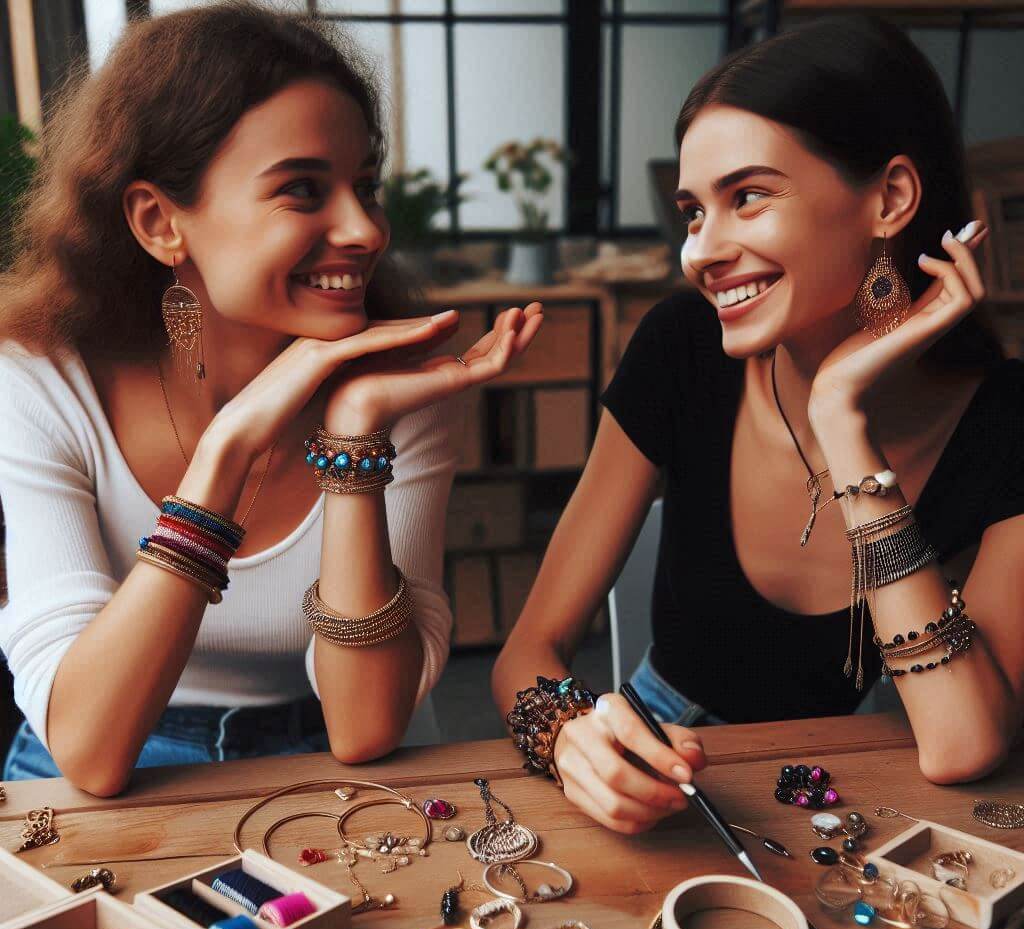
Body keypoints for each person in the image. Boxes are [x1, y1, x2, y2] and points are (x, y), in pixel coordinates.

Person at [494, 14, 1024, 834]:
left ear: (889, 198)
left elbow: (963, 745)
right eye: (693, 211)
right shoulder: (680, 349)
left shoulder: (1007, 418)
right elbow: (526, 656)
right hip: (644, 763)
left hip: (836, 796)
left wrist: (842, 418)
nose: (699, 250)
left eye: (747, 197)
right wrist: (572, 740)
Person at [0, 2, 543, 795]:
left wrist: (356, 434)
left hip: (335, 768)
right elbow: (90, 747)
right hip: (104, 779)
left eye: (366, 186)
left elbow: (364, 728)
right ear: (159, 222)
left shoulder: (400, 389)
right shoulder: (45, 378)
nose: (364, 229)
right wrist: (227, 451)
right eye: (301, 190)